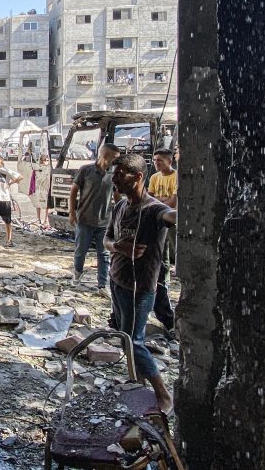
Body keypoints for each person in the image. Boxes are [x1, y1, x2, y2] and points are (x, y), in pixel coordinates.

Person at [103, 153, 176, 414]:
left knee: (134, 341)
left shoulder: (155, 210)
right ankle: (138, 385)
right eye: (115, 173)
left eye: (121, 174)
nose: (115, 178)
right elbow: (107, 239)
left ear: (138, 177)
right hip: (117, 281)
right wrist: (118, 248)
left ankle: (163, 395)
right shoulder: (121, 207)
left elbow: (171, 216)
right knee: (124, 338)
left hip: (140, 288)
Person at [68, 143, 121, 298]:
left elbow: (117, 197)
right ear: (105, 156)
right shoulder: (86, 170)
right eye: (115, 158)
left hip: (105, 222)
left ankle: (102, 284)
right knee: (80, 251)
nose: (116, 161)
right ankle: (77, 273)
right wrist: (72, 212)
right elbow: (73, 191)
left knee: (104, 254)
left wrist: (119, 216)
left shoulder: (114, 175)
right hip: (84, 219)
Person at [147, 149, 178, 335]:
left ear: (169, 161)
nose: (157, 163)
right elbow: (150, 198)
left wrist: (158, 202)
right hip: (157, 221)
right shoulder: (154, 177)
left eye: (160, 161)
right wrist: (161, 201)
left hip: (171, 222)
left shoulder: (176, 177)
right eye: (155, 160)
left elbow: (172, 203)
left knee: (166, 257)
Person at [29, 154, 51, 227]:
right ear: (41, 161)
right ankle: (38, 218)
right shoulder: (36, 169)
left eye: (48, 160)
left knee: (47, 204)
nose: (46, 162)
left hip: (46, 188)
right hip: (38, 188)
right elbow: (33, 179)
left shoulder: (49, 169)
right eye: (45, 160)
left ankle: (45, 219)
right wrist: (32, 189)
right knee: (38, 204)